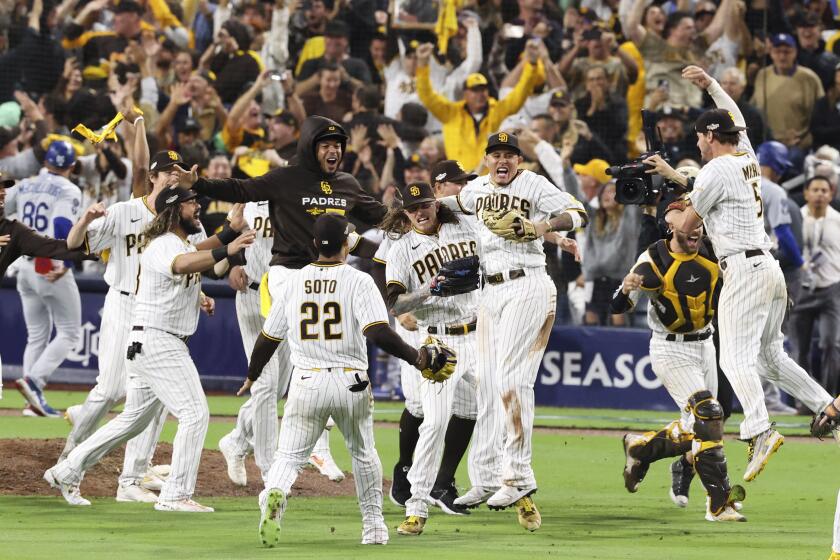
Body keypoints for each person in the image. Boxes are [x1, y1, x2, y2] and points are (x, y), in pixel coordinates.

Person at [176, 115, 389, 480]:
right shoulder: (285, 180)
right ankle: (276, 461)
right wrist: (202, 183)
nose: (333, 151)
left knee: (294, 378)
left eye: (337, 145)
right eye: (325, 145)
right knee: (305, 368)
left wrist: (424, 218)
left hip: (320, 281)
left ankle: (239, 440)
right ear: (309, 147)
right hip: (285, 278)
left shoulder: (346, 185)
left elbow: (381, 217)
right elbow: (239, 189)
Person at [239, 214, 453, 547]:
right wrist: (417, 359)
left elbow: (268, 338)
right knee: (363, 453)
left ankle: (276, 492)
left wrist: (252, 375)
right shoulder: (358, 280)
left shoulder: (294, 281)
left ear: (314, 245)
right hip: (349, 380)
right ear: (346, 244)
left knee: (289, 457)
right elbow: (378, 332)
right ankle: (374, 527)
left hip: (306, 380)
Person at [666, 65, 836, 482]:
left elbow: (687, 227)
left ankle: (759, 429)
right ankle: (825, 406)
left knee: (734, 358)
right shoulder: (746, 155)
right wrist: (711, 86)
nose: (698, 144)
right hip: (768, 266)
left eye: (699, 137)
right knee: (771, 358)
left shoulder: (715, 169)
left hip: (742, 268)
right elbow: (736, 119)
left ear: (708, 136)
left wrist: (678, 196)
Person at [44, 186, 255, 512]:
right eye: (190, 203)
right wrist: (227, 248)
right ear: (173, 210)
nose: (197, 206)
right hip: (160, 342)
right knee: (195, 414)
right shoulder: (159, 244)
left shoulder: (179, 242)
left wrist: (229, 241)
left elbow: (202, 261)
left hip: (151, 341)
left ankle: (67, 469)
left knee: (132, 421)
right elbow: (184, 264)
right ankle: (175, 495)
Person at [445, 132, 585, 525]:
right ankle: (487, 476)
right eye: (496, 154)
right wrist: (409, 207)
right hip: (490, 291)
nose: (502, 160)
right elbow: (447, 204)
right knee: (486, 383)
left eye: (509, 154)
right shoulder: (476, 190)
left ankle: (519, 475)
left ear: (519, 161)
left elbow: (578, 212)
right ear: (487, 160)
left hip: (527, 284)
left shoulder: (532, 183)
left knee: (511, 380)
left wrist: (543, 229)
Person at [612, 219, 745, 522]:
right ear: (672, 227)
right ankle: (719, 502)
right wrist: (625, 289)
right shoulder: (654, 260)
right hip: (670, 347)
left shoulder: (714, 250)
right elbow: (618, 306)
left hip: (706, 343)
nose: (695, 231)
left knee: (704, 427)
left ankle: (640, 448)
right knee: (708, 414)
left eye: (698, 223)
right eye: (687, 225)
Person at [381, 161, 479, 517]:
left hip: (474, 332)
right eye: (413, 208)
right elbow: (395, 301)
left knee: (475, 408)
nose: (420, 212)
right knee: (423, 411)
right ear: (405, 214)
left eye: (424, 205)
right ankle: (406, 474)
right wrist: (427, 290)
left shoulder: (464, 225)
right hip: (430, 337)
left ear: (435, 203)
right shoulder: (399, 246)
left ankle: (444, 482)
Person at [0, 172, 95, 398]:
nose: (3, 191)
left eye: (4, 187)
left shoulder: (12, 231)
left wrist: (98, 250)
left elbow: (54, 247)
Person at [10, 140, 83, 417]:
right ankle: (34, 383)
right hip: (48, 263)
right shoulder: (68, 188)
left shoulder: (25, 183)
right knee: (69, 331)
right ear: (72, 166)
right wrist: (65, 261)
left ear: (46, 161)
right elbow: (62, 224)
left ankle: (32, 404)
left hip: (24, 266)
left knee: (37, 335)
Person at [415, 41, 540, 171]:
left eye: (483, 90)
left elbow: (521, 93)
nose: (480, 94)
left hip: (491, 181)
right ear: (465, 93)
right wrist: (422, 65)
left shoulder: (498, 111)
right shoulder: (451, 113)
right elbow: (427, 96)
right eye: (475, 90)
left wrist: (531, 65)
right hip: (460, 180)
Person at [792, 176, 840, 396]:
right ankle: (807, 400)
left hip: (832, 288)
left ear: (831, 194)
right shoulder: (796, 219)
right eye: (815, 190)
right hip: (801, 290)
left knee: (831, 345)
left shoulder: (838, 220)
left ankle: (829, 400)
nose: (820, 194)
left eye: (824, 190)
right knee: (799, 351)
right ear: (806, 193)